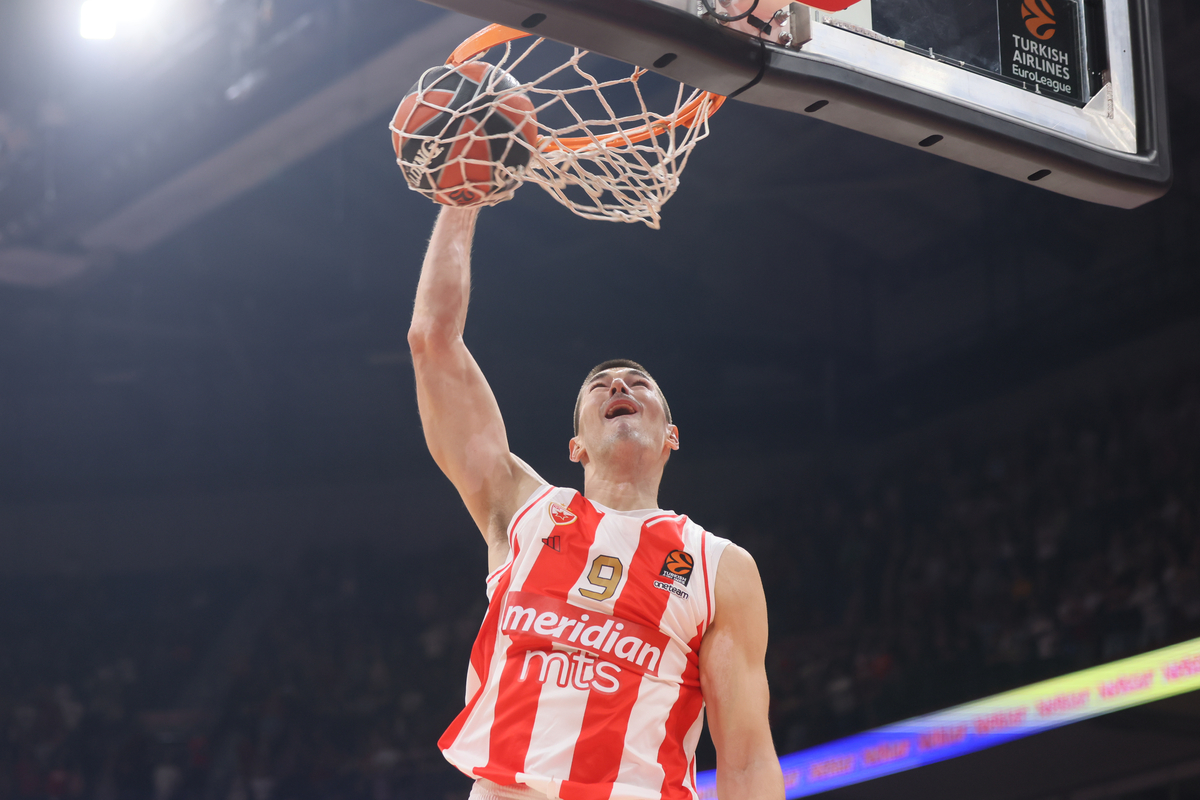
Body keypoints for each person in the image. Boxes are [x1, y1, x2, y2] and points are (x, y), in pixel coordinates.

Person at [408, 206, 784, 800]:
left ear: (671, 436)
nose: (619, 385)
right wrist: (463, 201)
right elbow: (432, 343)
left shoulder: (721, 569)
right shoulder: (522, 511)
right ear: (576, 445)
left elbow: (746, 763)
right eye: (600, 384)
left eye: (639, 382)